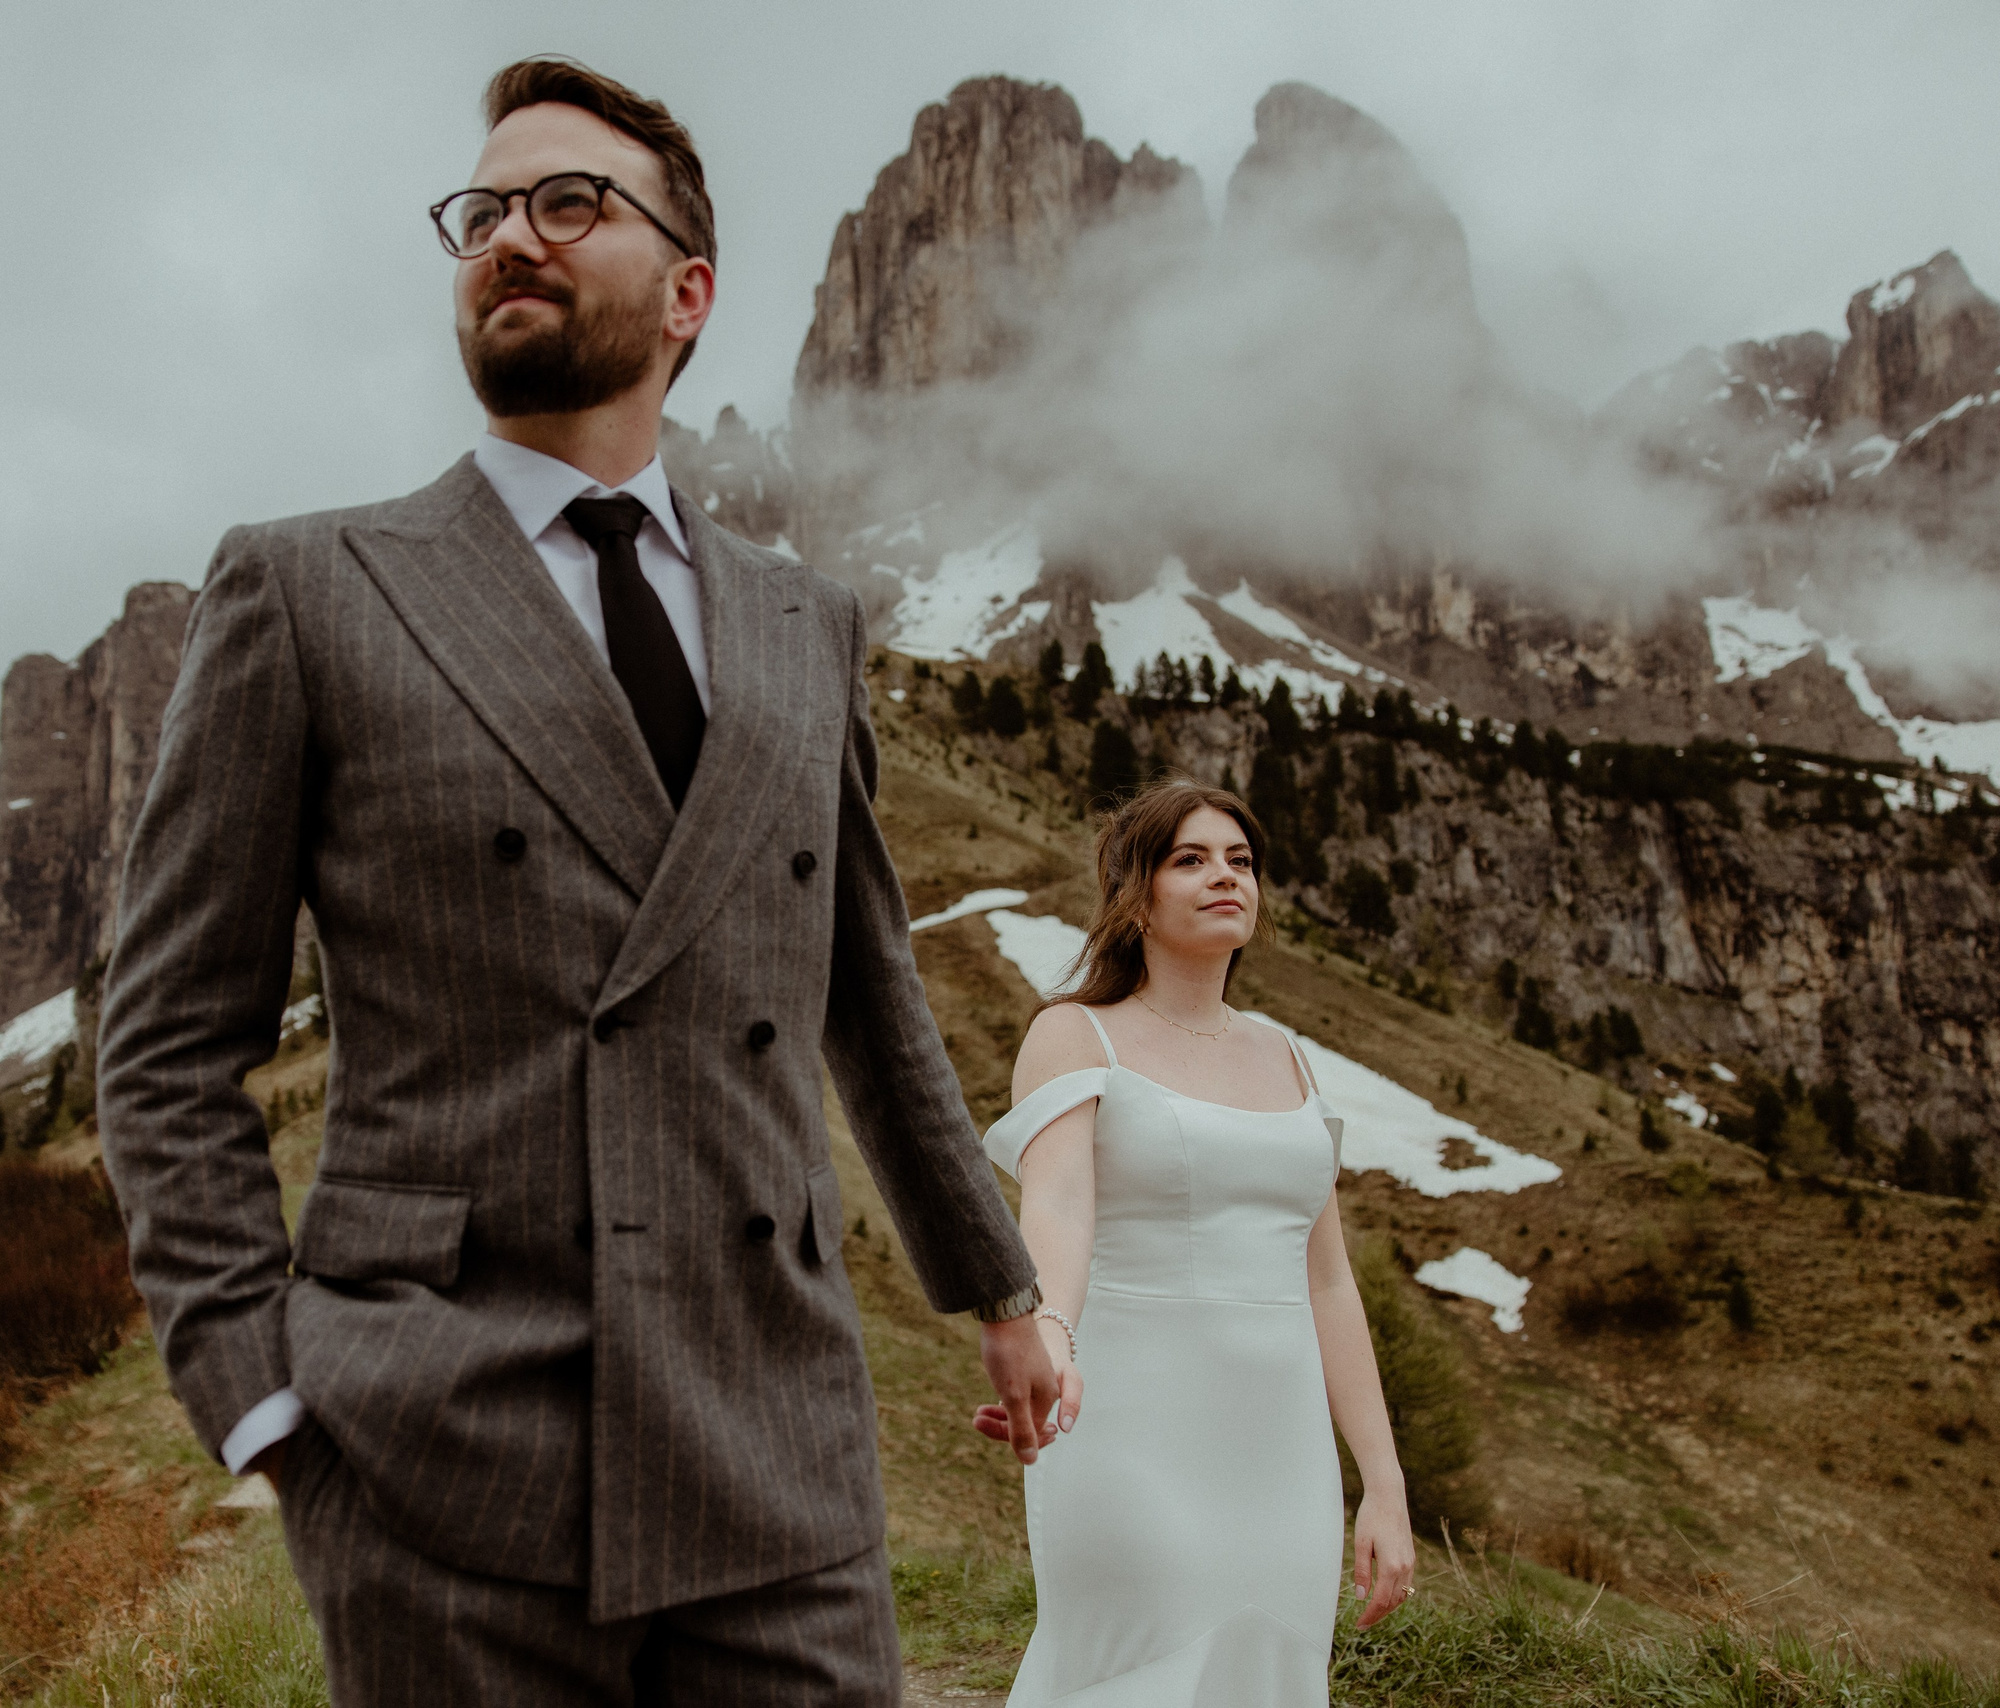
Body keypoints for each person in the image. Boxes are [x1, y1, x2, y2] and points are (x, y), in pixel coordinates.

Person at [95, 55, 1062, 1707]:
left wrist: (1000, 1286)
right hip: (441, 1458)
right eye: (481, 212)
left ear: (689, 291)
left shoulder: (803, 621)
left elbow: (867, 995)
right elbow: (170, 1041)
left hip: (777, 1449)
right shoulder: (309, 586)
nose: (508, 238)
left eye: (567, 203)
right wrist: (263, 1400)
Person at [972, 776, 1415, 1704]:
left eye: (1241, 861)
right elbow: (1058, 1211)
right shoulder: (1075, 1034)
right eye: (1191, 859)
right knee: (1138, 1674)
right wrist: (1049, 1342)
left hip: (1282, 1455)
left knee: (1269, 1672)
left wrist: (1381, 1481)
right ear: (1136, 892)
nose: (1226, 877)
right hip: (1129, 1426)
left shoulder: (1286, 1054)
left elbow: (1329, 1284)